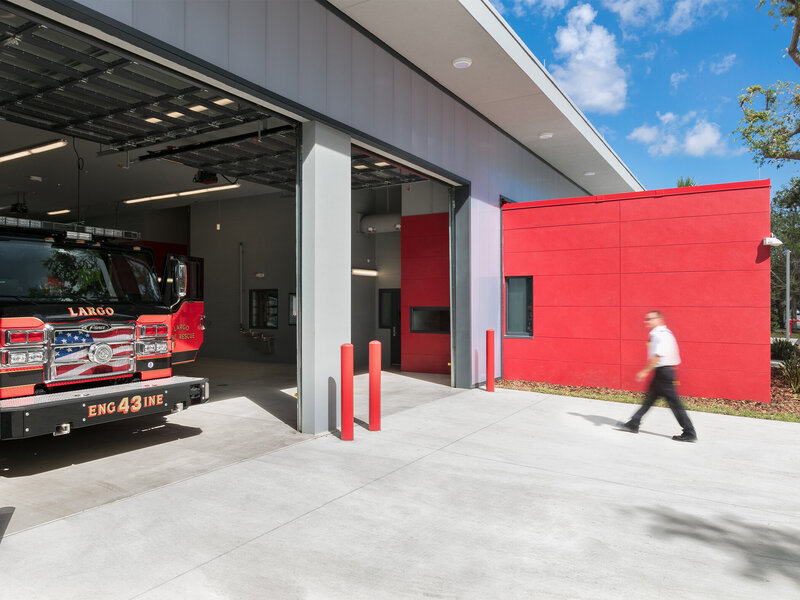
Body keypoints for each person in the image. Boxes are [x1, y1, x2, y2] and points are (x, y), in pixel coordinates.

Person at [619, 310, 697, 442]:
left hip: (664, 373)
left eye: (649, 319)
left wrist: (644, 371)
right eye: (646, 319)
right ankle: (634, 422)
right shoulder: (666, 333)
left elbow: (658, 356)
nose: (646, 322)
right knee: (650, 399)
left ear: (659, 320)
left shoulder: (658, 335)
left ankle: (689, 432)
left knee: (674, 403)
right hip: (664, 372)